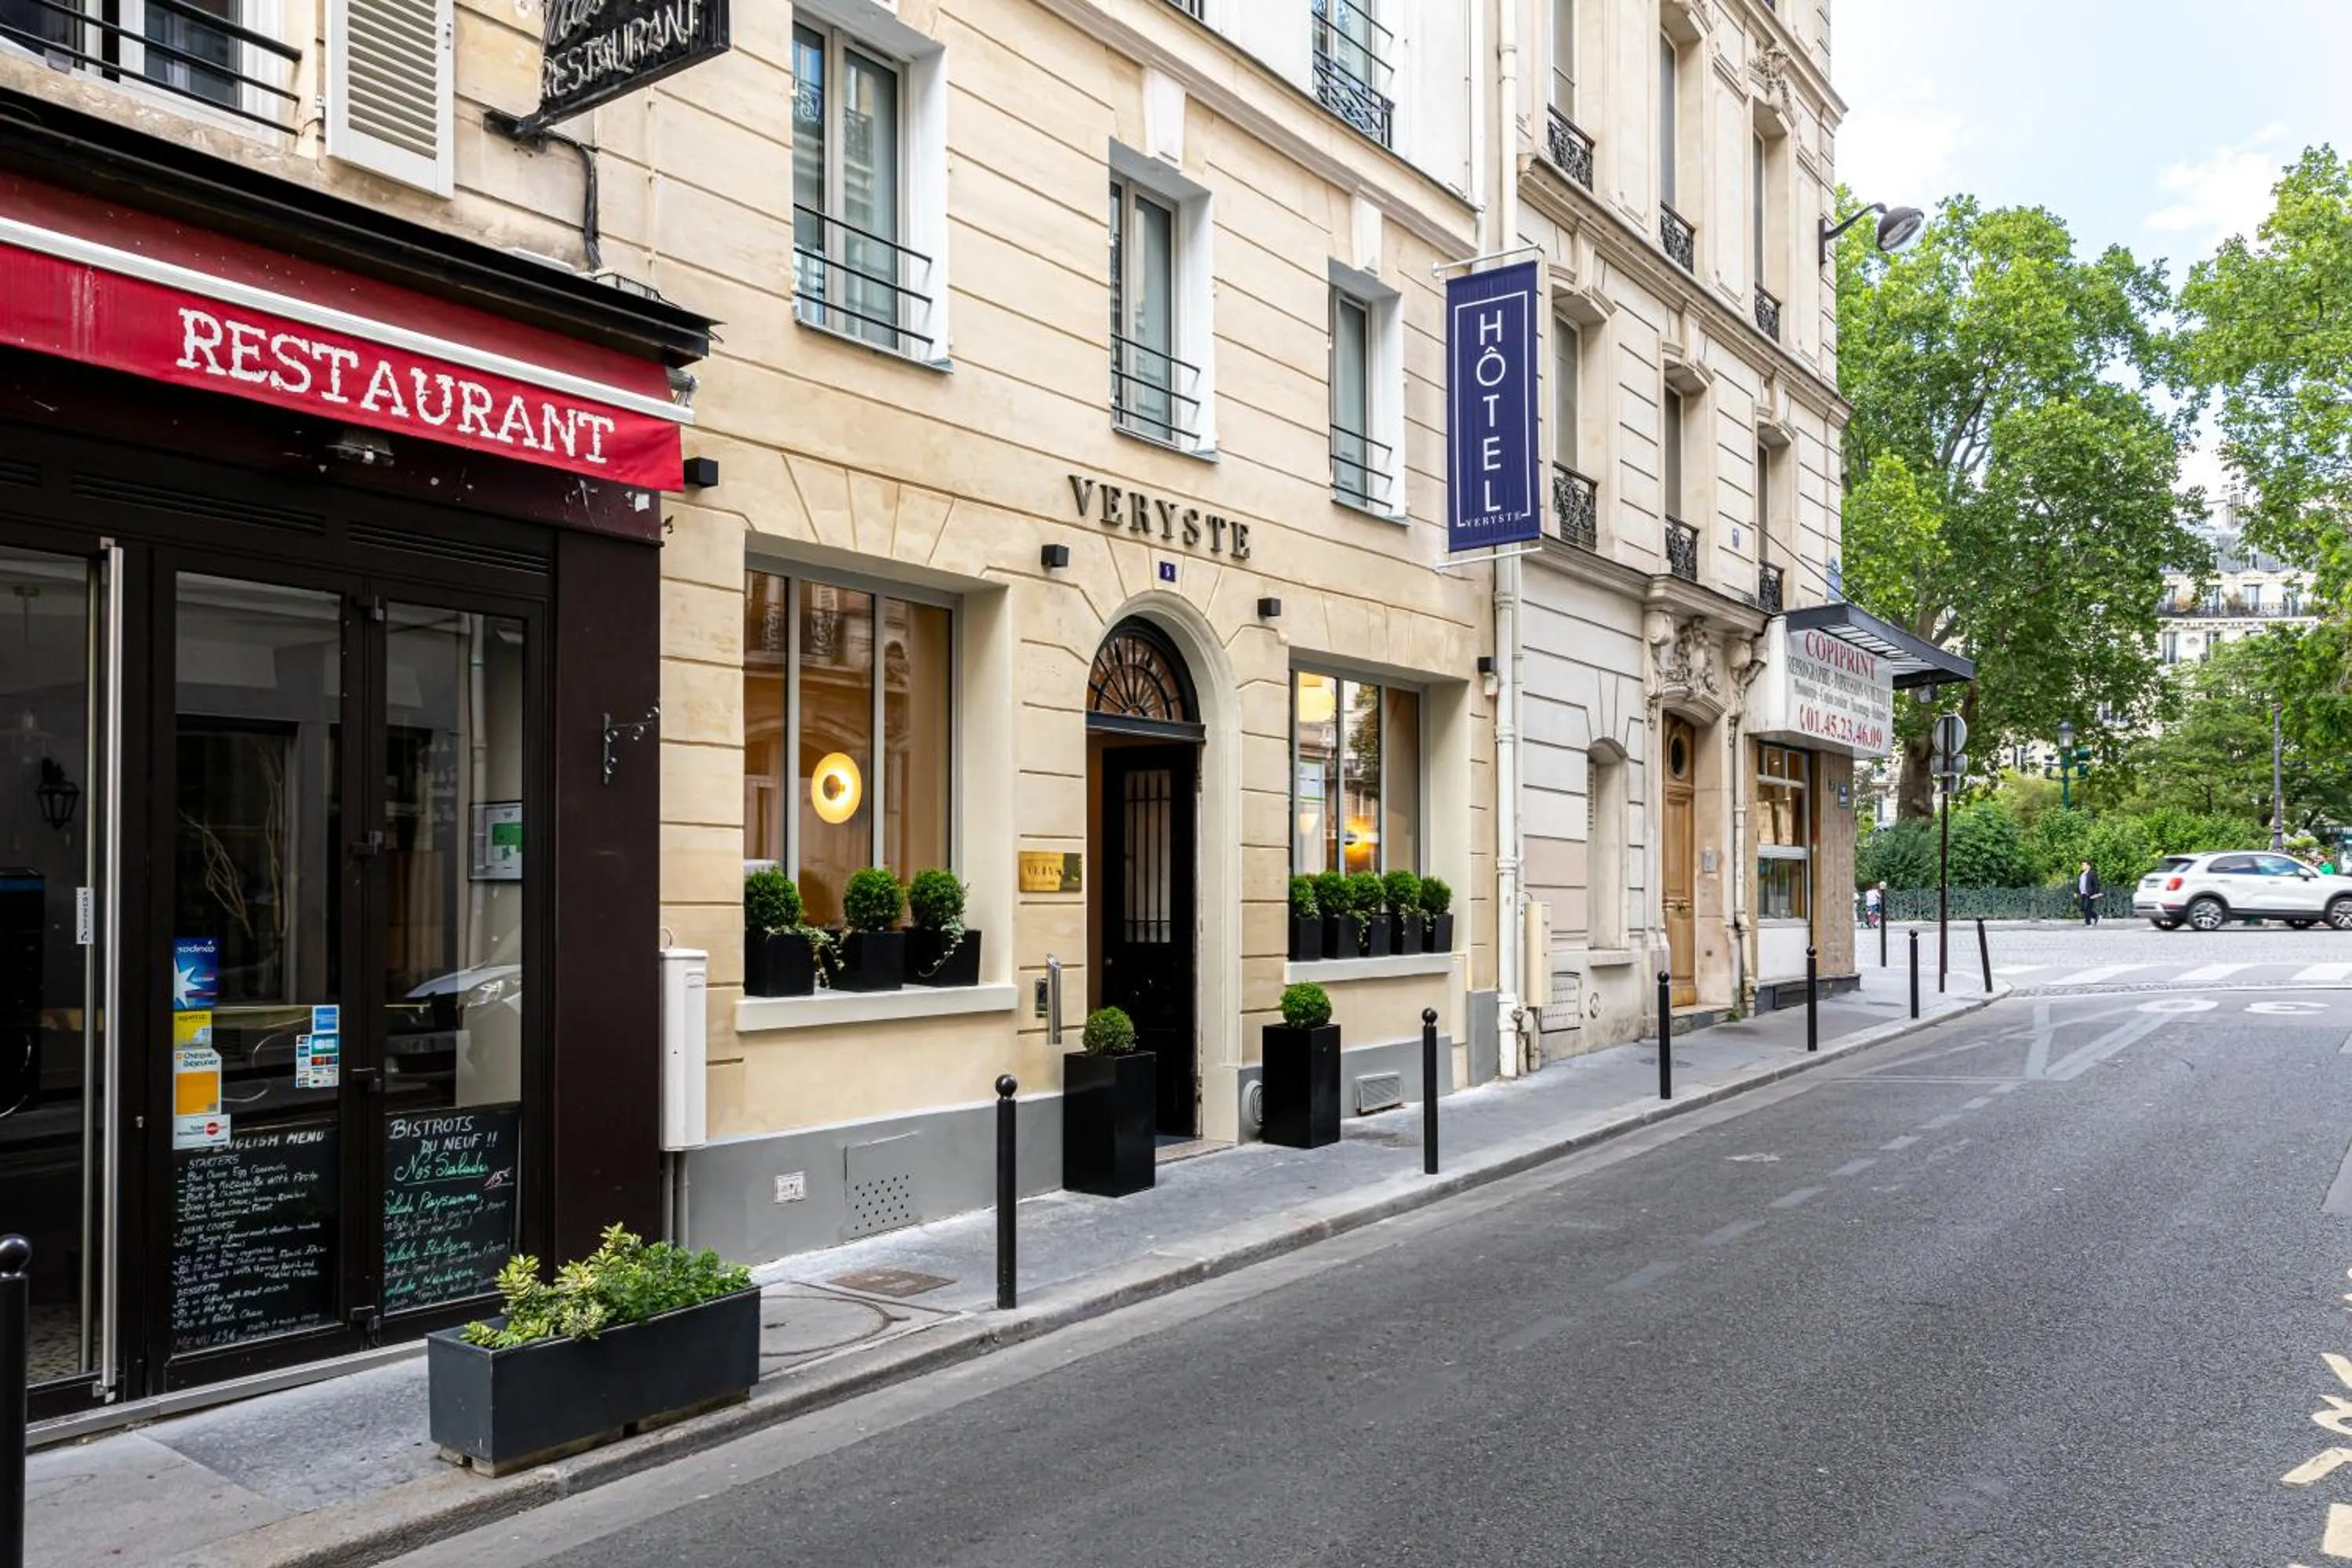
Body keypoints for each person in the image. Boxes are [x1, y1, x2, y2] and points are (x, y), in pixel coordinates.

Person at [2077, 859, 2101, 925]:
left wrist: (2095, 894)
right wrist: (2077, 892)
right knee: (2082, 908)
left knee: (2087, 908)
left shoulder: (2092, 874)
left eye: (2083, 865)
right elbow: (2079, 883)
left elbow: (2096, 884)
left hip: (2090, 894)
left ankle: (2088, 923)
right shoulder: (2081, 874)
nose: (2082, 866)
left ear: (2088, 866)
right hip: (2082, 894)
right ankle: (2095, 916)